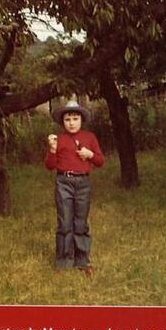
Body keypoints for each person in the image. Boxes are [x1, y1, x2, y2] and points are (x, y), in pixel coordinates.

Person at [45, 100, 104, 275]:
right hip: (64, 181)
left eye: (75, 118)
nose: (71, 122)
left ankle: (82, 260)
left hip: (83, 183)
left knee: (80, 222)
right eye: (68, 119)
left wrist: (90, 154)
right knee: (65, 222)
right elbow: (49, 165)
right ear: (63, 122)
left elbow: (100, 161)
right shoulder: (59, 139)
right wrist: (53, 150)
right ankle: (63, 261)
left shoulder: (90, 137)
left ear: (81, 120)